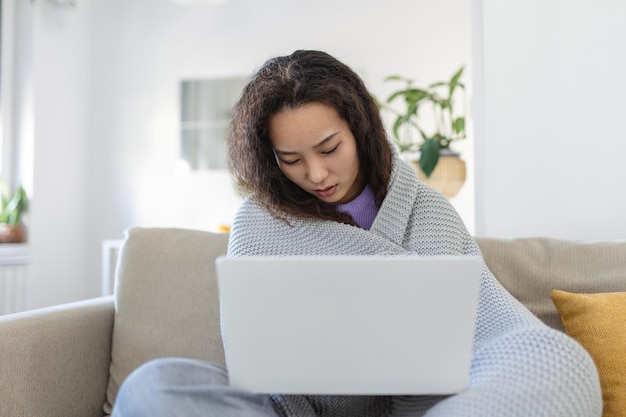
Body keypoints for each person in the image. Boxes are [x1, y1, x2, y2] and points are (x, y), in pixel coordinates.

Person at [112, 50, 602, 417]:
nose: (317, 174)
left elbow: (491, 331)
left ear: (359, 129)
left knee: (560, 361)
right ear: (269, 160)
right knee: (153, 388)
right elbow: (255, 368)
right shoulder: (259, 223)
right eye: (292, 160)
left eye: (330, 148)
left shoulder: (426, 210)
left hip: (429, 410)